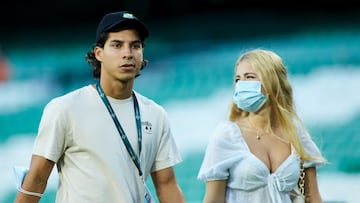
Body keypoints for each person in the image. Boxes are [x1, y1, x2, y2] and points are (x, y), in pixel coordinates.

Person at [14, 11, 186, 203]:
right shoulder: (64, 109)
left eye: (135, 46)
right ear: (99, 53)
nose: (127, 53)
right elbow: (36, 179)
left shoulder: (155, 114)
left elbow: (167, 185)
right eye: (117, 45)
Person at [197, 48, 326, 203]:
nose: (241, 85)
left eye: (249, 77)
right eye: (238, 79)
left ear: (271, 81)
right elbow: (214, 200)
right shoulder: (227, 135)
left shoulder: (295, 134)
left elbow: (312, 197)